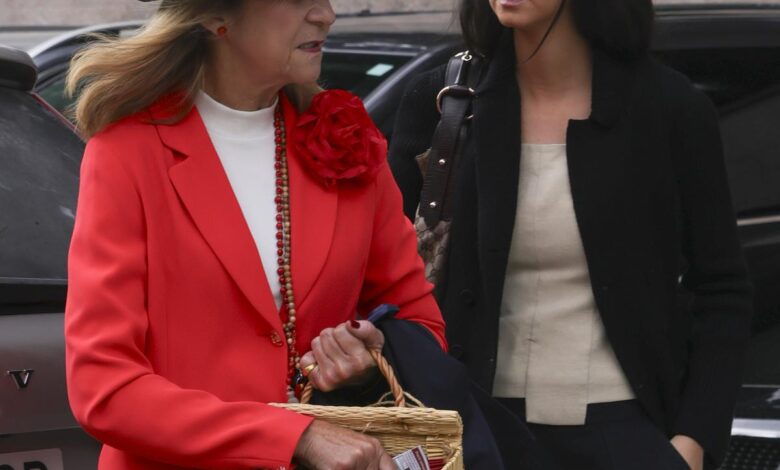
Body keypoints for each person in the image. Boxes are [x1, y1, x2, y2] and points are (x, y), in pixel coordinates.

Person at [64, 0, 446, 469]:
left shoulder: (346, 138)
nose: (325, 15)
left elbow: (422, 327)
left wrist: (372, 356)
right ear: (214, 16)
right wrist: (295, 436)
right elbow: (104, 388)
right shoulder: (127, 155)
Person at [388, 0, 753, 469]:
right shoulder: (446, 101)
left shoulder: (669, 108)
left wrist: (692, 443)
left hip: (624, 432)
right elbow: (384, 273)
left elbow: (723, 289)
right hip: (475, 433)